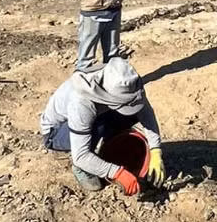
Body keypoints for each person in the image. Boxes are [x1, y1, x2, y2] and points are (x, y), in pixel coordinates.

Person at [39, 56, 165, 194]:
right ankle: (81, 169)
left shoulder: (126, 81)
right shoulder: (81, 103)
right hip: (56, 132)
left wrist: (155, 149)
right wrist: (117, 173)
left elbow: (145, 112)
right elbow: (81, 155)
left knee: (132, 113)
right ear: (110, 96)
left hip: (97, 116)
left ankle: (112, 142)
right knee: (97, 128)